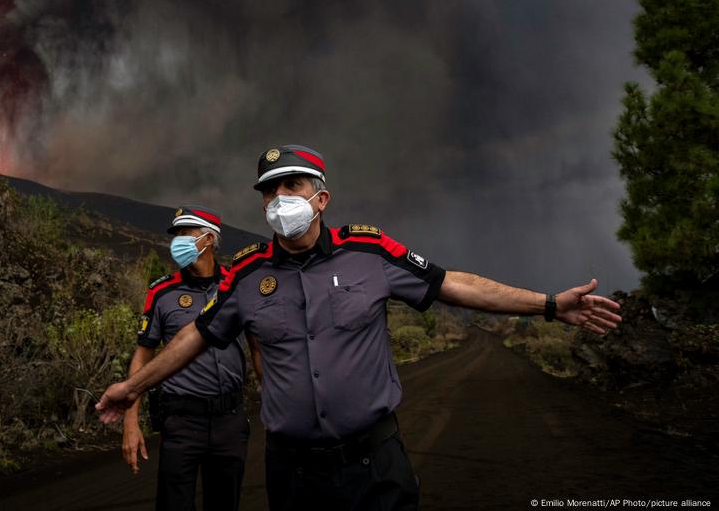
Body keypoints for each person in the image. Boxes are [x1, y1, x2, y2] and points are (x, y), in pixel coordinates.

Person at [98, 145, 623, 511]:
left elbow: (451, 283)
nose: (279, 199)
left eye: (292, 185)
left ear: (321, 198)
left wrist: (549, 305)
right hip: (292, 473)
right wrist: (130, 390)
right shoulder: (247, 272)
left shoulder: (370, 252)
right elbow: (196, 335)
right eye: (269, 191)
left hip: (374, 464)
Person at [122, 205, 259, 511]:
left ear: (209, 239)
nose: (177, 241)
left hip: (229, 420)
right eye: (176, 235)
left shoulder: (237, 287)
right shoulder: (162, 292)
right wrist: (131, 421)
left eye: (186, 234)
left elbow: (257, 347)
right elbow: (142, 356)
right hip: (182, 421)